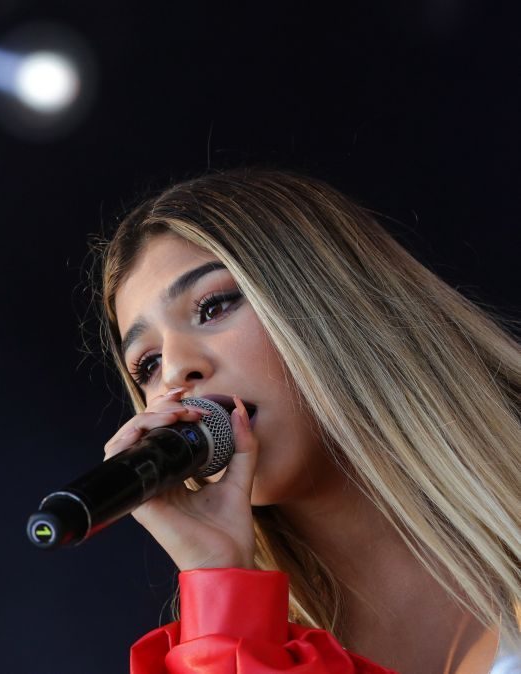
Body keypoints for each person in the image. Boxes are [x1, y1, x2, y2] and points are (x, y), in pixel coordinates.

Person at [93, 169, 521, 674]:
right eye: (147, 365)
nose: (177, 372)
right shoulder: (271, 655)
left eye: (213, 306)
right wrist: (219, 581)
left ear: (327, 299)